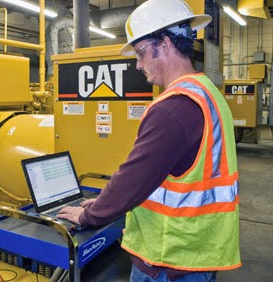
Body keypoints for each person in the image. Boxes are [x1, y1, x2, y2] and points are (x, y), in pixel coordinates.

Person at [57, 0, 241, 281]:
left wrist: (89, 214)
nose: (138, 64)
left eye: (141, 52)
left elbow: (134, 177)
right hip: (198, 250)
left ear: (165, 45)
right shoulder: (207, 94)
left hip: (168, 259)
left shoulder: (173, 108)